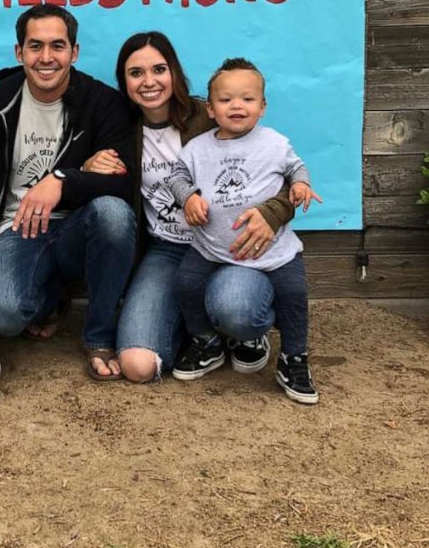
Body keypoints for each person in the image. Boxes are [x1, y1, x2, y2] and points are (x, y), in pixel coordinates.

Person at [85, 31, 295, 384]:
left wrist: (271, 215)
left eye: (159, 69)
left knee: (236, 309)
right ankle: (199, 334)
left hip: (229, 246)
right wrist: (89, 164)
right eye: (136, 73)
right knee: (138, 365)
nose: (149, 82)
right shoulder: (121, 128)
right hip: (168, 251)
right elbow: (83, 169)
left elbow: (285, 175)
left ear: (175, 73)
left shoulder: (210, 115)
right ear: (124, 81)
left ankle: (245, 330)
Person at [0, 4, 136, 380]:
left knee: (113, 213)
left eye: (57, 46)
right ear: (19, 52)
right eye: (35, 46)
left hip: (79, 225)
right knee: (5, 315)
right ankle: (50, 297)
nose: (46, 58)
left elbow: (123, 183)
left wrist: (62, 179)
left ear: (74, 52)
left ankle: (99, 336)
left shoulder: (102, 103)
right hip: (18, 229)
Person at [169, 58, 320, 404]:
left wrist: (300, 185)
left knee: (295, 294)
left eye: (248, 99)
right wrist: (188, 197)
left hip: (274, 252)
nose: (237, 105)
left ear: (263, 107)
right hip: (210, 247)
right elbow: (177, 178)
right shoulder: (197, 149)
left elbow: (297, 167)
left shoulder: (275, 143)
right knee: (185, 284)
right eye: (226, 100)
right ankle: (206, 341)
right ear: (210, 109)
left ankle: (294, 358)